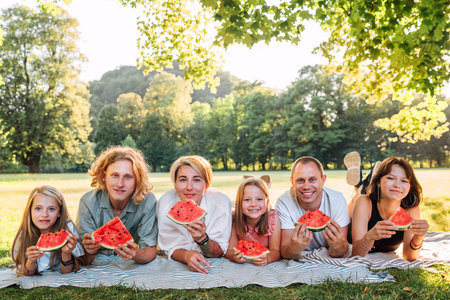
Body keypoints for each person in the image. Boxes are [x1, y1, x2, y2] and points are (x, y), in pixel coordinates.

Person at [77, 146, 158, 265]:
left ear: (137, 179)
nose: (120, 184)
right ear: (104, 176)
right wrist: (88, 251)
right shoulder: (88, 202)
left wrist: (136, 254)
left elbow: (150, 251)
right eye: (115, 175)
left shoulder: (148, 201)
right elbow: (83, 260)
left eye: (128, 177)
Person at [157, 155, 232, 274]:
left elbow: (219, 253)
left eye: (196, 180)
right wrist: (186, 255)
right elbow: (170, 248)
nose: (189, 187)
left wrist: (202, 239)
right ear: (175, 183)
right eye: (182, 180)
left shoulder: (221, 203)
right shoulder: (165, 204)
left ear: (206, 184)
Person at [349, 157, 429, 261]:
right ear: (378, 182)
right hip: (351, 231)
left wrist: (419, 237)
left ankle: (362, 185)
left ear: (410, 186)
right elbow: (356, 254)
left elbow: (409, 257)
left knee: (361, 194)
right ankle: (361, 187)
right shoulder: (365, 202)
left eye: (404, 181)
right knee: (357, 199)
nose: (397, 185)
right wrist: (369, 237)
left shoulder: (411, 209)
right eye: (390, 178)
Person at [276, 156, 350, 259]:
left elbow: (339, 253)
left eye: (312, 179)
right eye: (300, 180)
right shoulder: (284, 202)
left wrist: (337, 246)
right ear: (292, 182)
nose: (306, 186)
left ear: (323, 180)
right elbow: (285, 252)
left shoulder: (337, 200)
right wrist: (294, 249)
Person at [11, 185, 84, 276]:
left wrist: (66, 253)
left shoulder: (67, 229)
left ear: (59, 213)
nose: (44, 214)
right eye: (38, 208)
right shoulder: (24, 235)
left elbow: (66, 272)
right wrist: (31, 260)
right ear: (30, 211)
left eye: (51, 209)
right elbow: (27, 273)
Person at [225, 176, 281, 266]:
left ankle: (255, 179)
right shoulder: (236, 220)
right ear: (239, 203)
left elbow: (276, 251)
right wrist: (234, 257)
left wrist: (268, 258)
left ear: (267, 203)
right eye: (247, 200)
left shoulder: (273, 219)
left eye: (259, 199)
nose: (253, 204)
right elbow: (229, 251)